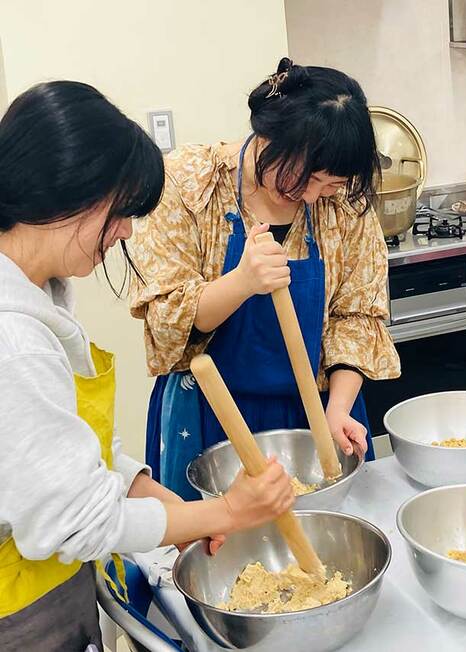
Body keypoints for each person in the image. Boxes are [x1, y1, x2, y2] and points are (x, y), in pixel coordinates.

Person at [0, 82, 298, 650]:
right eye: (119, 211)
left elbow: (77, 450)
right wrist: (224, 512)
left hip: (50, 585)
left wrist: (188, 515)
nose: (128, 232)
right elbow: (78, 519)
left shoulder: (41, 288)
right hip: (18, 611)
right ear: (63, 192)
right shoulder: (13, 339)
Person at [128, 58, 400, 498]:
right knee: (222, 552)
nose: (313, 196)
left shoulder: (345, 203)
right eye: (304, 177)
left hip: (317, 408)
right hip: (211, 412)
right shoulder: (189, 185)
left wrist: (337, 409)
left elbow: (357, 316)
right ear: (268, 137)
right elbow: (166, 322)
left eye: (330, 185)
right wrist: (241, 282)